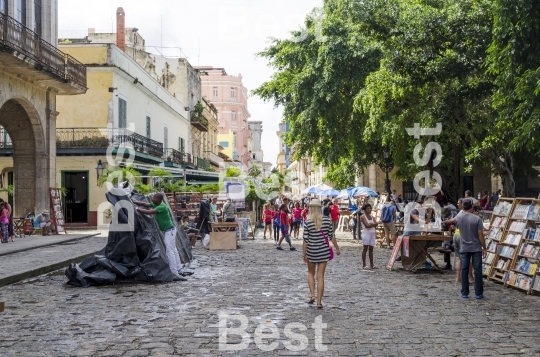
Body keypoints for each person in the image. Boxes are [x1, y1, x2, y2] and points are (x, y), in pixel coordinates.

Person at [133, 193, 185, 281]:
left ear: (158, 199)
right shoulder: (157, 204)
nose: (152, 199)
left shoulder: (162, 207)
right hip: (169, 231)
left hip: (169, 231)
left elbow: (149, 212)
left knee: (169, 250)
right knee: (173, 249)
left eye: (154, 198)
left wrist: (136, 209)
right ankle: (178, 268)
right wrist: (133, 201)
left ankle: (174, 271)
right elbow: (145, 204)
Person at [302, 199, 340, 309]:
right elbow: (331, 236)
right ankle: (319, 302)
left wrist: (303, 254)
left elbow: (305, 240)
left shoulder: (308, 222)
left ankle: (312, 295)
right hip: (323, 252)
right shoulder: (327, 220)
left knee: (310, 273)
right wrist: (337, 248)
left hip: (311, 252)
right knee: (321, 276)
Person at [456, 198, 486, 299]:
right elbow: (481, 235)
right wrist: (484, 247)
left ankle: (464, 292)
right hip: (476, 247)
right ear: (472, 206)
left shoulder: (459, 218)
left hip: (464, 246)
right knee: (477, 270)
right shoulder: (477, 219)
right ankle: (478, 293)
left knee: (464, 270)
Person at [360, 203, 378, 270]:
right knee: (365, 249)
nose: (369, 210)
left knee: (371, 249)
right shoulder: (362, 217)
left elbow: (376, 224)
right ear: (364, 210)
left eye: (370, 208)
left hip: (372, 234)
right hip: (366, 234)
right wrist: (373, 224)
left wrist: (372, 224)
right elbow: (367, 225)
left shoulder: (372, 217)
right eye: (368, 208)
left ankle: (372, 264)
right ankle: (364, 264)